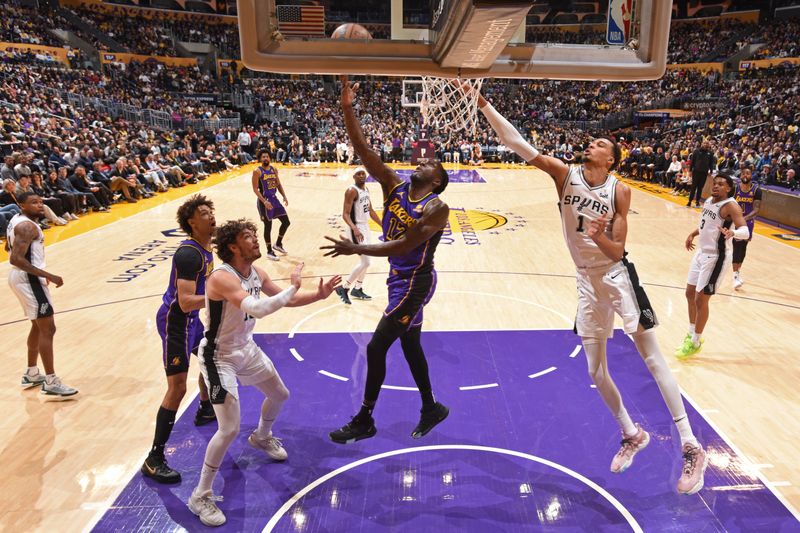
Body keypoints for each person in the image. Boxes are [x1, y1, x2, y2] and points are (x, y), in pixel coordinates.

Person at [475, 89, 707, 494]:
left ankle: (691, 444)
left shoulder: (619, 190)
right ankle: (631, 434)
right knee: (594, 370)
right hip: (585, 280)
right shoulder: (565, 175)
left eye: (600, 143)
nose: (591, 144)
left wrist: (599, 237)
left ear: (611, 159)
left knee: (651, 358)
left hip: (616, 275)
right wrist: (483, 105)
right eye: (592, 141)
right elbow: (517, 143)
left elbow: (618, 249)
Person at [322, 76, 450, 445]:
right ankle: (431, 407)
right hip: (399, 279)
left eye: (432, 165)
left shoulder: (436, 208)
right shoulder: (394, 184)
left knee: (377, 347)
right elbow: (362, 149)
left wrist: (356, 249)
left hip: (416, 283)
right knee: (410, 345)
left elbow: (401, 246)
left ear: (437, 180)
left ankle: (364, 418)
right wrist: (348, 106)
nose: (424, 162)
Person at [187, 219, 340, 527]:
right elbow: (258, 308)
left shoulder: (257, 273)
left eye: (256, 236)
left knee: (280, 394)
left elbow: (287, 299)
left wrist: (317, 295)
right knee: (229, 429)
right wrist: (294, 287)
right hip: (219, 357)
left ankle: (261, 436)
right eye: (249, 237)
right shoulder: (221, 277)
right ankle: (200, 495)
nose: (256, 241)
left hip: (246, 348)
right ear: (233, 246)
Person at [142, 195, 219, 484]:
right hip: (177, 322)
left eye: (211, 211)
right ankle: (154, 457)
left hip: (192, 322)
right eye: (203, 213)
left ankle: (205, 406)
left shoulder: (206, 247)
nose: (211, 216)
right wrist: (221, 296)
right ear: (191, 222)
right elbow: (186, 301)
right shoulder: (189, 254)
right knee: (176, 388)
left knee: (210, 355)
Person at [6, 192, 77, 397]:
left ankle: (32, 373)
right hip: (28, 279)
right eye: (33, 203)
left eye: (40, 202)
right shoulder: (27, 226)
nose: (39, 205)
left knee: (38, 326)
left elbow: (7, 246)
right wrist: (48, 275)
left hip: (24, 277)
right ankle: (51, 381)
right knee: (48, 328)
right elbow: (15, 258)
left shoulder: (17, 221)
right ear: (21, 205)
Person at [676, 172, 749, 357]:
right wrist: (693, 234)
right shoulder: (709, 200)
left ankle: (695, 341)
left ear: (729, 188)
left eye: (721, 184)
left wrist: (734, 234)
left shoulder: (731, 205)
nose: (716, 186)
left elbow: (745, 231)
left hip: (716, 257)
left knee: (701, 300)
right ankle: (691, 332)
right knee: (689, 293)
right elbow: (707, 224)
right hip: (701, 252)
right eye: (715, 183)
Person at [334, 167, 382, 305]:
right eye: (358, 174)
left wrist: (382, 225)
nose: (362, 176)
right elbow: (345, 214)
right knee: (366, 262)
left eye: (363, 173)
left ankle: (358, 288)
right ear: (354, 177)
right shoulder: (351, 191)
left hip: (364, 226)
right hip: (355, 228)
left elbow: (371, 210)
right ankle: (344, 287)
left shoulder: (365, 189)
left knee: (366, 261)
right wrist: (354, 228)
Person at [251, 151, 290, 261]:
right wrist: (264, 201)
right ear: (260, 159)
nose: (265, 158)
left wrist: (284, 196)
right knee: (268, 226)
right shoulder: (257, 171)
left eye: (267, 156)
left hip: (274, 200)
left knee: (286, 222)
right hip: (264, 202)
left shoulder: (274, 169)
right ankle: (269, 251)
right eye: (263, 157)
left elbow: (278, 184)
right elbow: (255, 189)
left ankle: (278, 244)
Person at [731, 167, 762, 290]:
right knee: (736, 247)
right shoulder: (735, 188)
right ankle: (734, 276)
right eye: (743, 173)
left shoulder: (756, 190)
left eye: (748, 173)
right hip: (735, 222)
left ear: (751, 175)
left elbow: (756, 209)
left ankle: (737, 272)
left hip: (748, 223)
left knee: (743, 249)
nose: (745, 175)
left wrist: (745, 219)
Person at [688, 139, 715, 208]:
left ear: (708, 145)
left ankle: (697, 202)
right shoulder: (696, 151)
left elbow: (711, 163)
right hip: (696, 172)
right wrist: (690, 171)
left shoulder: (710, 153)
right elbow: (692, 161)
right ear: (702, 144)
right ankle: (689, 201)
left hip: (704, 173)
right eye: (704, 143)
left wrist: (711, 171)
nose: (705, 144)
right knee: (693, 187)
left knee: (700, 188)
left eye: (707, 143)